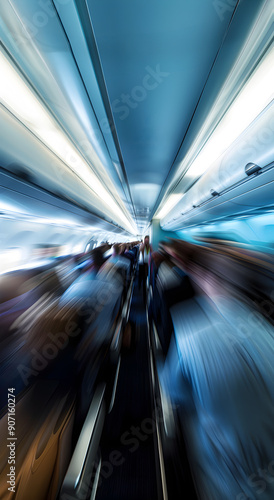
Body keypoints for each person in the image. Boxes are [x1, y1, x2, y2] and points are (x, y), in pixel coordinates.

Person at [138, 235, 153, 302]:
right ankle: (139, 286)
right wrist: (143, 245)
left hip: (147, 264)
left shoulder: (150, 246)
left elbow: (152, 253)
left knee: (145, 278)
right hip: (142, 263)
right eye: (146, 240)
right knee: (141, 277)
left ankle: (144, 295)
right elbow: (140, 251)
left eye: (148, 240)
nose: (147, 241)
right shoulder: (142, 245)